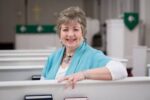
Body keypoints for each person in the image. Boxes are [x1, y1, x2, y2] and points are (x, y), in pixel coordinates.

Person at [41, 6, 127, 88]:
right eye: (65, 29)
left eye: (75, 29)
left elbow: (120, 70)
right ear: (60, 34)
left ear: (83, 32)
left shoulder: (92, 55)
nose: (70, 34)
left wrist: (83, 75)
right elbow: (41, 85)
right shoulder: (53, 57)